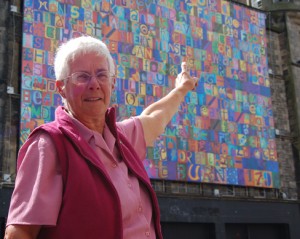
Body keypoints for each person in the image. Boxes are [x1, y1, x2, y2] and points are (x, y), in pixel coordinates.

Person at [4, 36, 198, 239]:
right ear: (61, 87)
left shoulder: (121, 138)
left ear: (113, 83)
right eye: (82, 76)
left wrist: (182, 89)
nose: (94, 84)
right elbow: (19, 234)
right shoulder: (49, 145)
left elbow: (155, 117)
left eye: (102, 75)